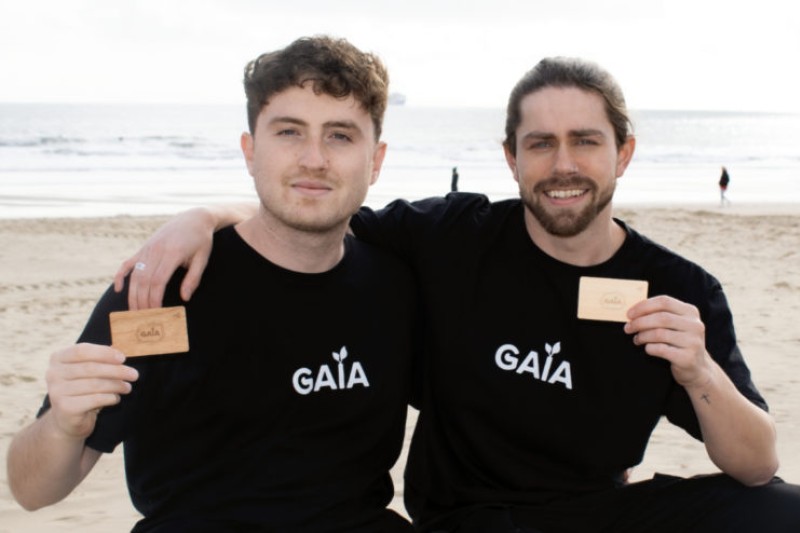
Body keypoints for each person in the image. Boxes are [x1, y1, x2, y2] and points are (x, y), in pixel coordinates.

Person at [110, 57, 800, 532]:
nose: (563, 165)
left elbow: (756, 459)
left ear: (622, 153)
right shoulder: (450, 236)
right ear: (511, 157)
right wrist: (204, 217)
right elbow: (316, 212)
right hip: (468, 517)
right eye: (540, 144)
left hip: (597, 512)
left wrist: (699, 370)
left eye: (585, 142)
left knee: (777, 508)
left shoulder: (678, 287)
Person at [6, 36, 419, 532]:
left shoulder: (397, 287)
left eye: (340, 136)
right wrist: (62, 426)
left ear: (375, 160)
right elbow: (32, 491)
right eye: (289, 132)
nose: (314, 158)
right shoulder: (165, 291)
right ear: (250, 151)